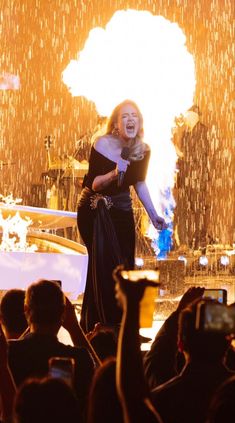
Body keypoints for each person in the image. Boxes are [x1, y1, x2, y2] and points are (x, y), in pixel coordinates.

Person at [77, 99, 167, 332]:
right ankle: (99, 324)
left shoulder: (143, 150)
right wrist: (114, 173)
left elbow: (139, 183)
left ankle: (126, 326)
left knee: (126, 262)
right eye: (125, 116)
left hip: (122, 209)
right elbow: (94, 184)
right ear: (116, 123)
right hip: (95, 208)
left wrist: (154, 214)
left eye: (134, 116)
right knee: (103, 265)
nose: (130, 120)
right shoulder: (101, 144)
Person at [7, 279, 94, 419]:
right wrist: (74, 328)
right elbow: (103, 386)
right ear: (63, 313)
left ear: (26, 310)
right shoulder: (79, 358)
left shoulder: (8, 354)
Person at [150, 299, 233, 423]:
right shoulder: (230, 396)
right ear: (228, 343)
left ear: (180, 344)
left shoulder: (159, 400)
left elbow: (155, 361)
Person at [173, 105, 211, 249]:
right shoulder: (187, 133)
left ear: (194, 115)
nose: (184, 118)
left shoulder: (202, 131)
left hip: (197, 178)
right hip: (186, 178)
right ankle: (185, 242)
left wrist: (180, 154)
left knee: (198, 210)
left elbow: (198, 156)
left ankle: (199, 241)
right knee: (183, 210)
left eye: (186, 114)